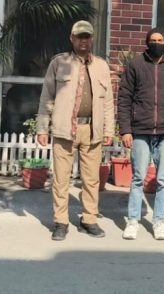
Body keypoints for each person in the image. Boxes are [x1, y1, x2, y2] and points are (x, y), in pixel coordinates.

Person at [36, 20, 114, 241]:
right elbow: (47, 96)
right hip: (65, 129)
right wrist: (42, 128)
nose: (83, 41)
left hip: (92, 129)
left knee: (91, 179)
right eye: (79, 37)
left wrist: (108, 129)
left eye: (87, 37)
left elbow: (108, 101)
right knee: (61, 179)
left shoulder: (101, 66)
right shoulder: (59, 63)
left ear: (92, 39)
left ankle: (89, 219)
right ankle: (61, 222)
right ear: (72, 39)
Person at [118, 28, 164, 240]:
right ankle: (133, 220)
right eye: (153, 40)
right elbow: (124, 98)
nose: (156, 43)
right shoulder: (136, 65)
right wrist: (125, 130)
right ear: (147, 43)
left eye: (160, 40)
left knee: (163, 180)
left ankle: (159, 222)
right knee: (138, 178)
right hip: (141, 130)